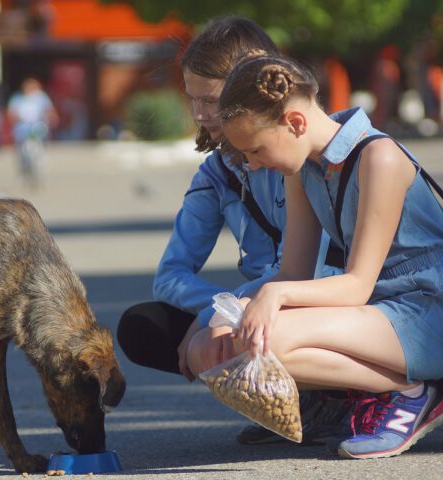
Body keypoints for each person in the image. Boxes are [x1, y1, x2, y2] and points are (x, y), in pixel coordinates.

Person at [186, 54, 443, 459]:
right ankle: (336, 401)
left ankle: (409, 393)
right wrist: (236, 309)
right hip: (372, 314)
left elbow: (356, 285)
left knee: (267, 344)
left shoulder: (379, 157)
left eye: (256, 150)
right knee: (209, 345)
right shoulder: (303, 170)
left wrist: (272, 299)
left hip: (421, 314)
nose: (253, 164)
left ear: (295, 123)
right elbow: (294, 273)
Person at [116, 17, 343, 446]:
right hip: (264, 304)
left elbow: (313, 271)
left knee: (230, 330)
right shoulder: (217, 172)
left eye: (211, 99)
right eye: (192, 99)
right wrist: (220, 310)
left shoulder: (301, 156)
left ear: (252, 86)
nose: (200, 115)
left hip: (328, 298)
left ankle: (344, 395)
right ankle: (294, 400)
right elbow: (170, 276)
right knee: (141, 327)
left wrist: (219, 317)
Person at [7, 76, 58, 188]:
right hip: (22, 130)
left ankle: (39, 175)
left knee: (38, 153)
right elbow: (12, 113)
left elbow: (49, 111)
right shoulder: (17, 98)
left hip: (38, 129)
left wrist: (52, 118)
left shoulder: (42, 98)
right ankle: (24, 173)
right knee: (22, 154)